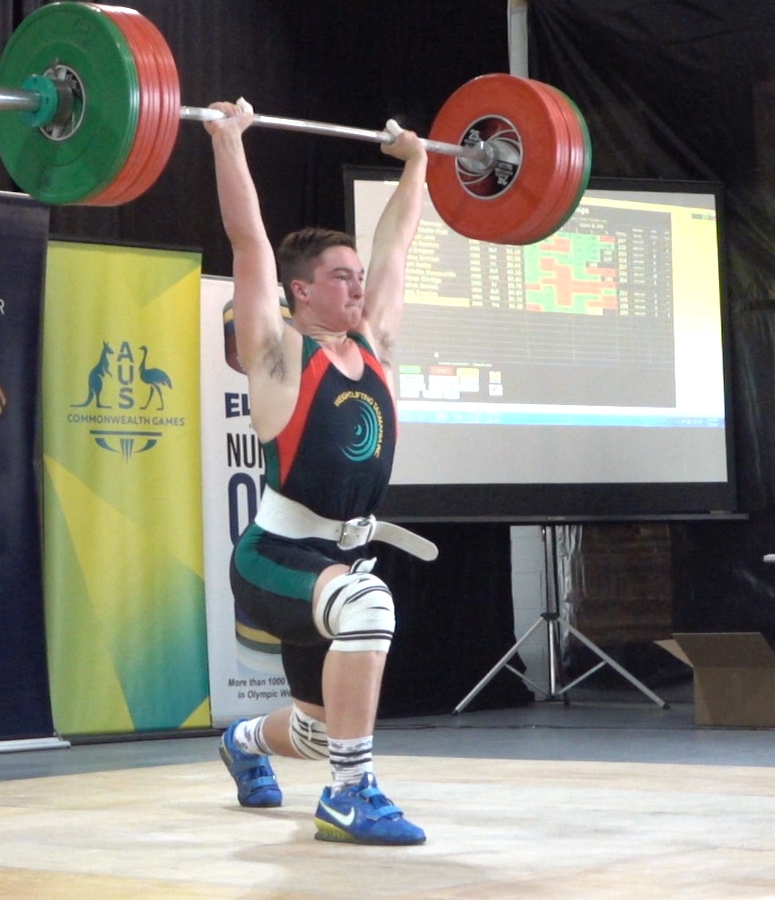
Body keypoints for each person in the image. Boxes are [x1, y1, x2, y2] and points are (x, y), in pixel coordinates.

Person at [205, 98, 434, 846]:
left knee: (311, 730)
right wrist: (228, 140)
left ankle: (243, 744)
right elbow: (248, 243)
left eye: (357, 277)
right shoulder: (278, 354)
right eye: (340, 277)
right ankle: (349, 794)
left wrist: (419, 165)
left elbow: (398, 247)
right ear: (301, 290)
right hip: (273, 561)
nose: (357, 288)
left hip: (334, 558)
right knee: (370, 605)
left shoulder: (374, 348)